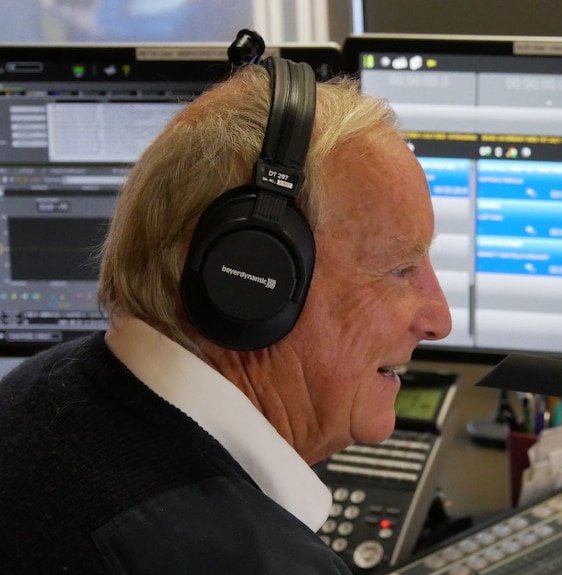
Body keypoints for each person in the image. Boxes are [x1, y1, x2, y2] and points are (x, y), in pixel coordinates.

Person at [0, 50, 452, 573]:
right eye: (399, 269)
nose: (438, 319)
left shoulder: (38, 391)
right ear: (250, 279)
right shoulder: (241, 558)